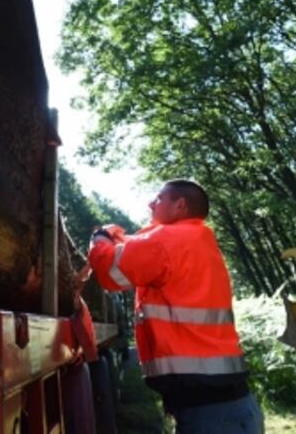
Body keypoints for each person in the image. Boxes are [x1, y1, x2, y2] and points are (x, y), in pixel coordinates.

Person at [87, 179, 263, 433]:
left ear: (180, 205)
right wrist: (122, 240)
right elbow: (145, 250)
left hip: (210, 416)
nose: (151, 203)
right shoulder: (197, 240)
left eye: (158, 198)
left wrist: (100, 237)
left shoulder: (169, 241)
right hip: (233, 407)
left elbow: (109, 270)